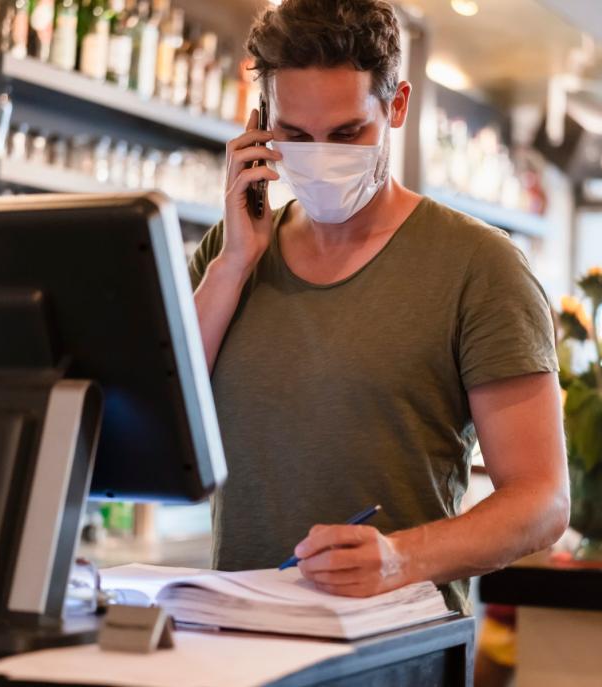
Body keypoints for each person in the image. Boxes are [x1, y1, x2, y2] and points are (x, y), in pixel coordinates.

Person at [189, 0, 568, 613]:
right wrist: (232, 264)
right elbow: (166, 422)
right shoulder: (229, 255)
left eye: (346, 134)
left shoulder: (480, 266)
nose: (319, 155)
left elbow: (542, 500)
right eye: (293, 135)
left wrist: (400, 558)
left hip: (395, 650)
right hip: (239, 638)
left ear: (396, 107)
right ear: (259, 123)